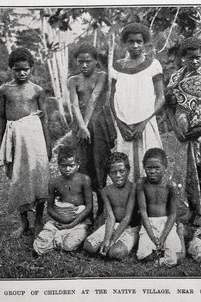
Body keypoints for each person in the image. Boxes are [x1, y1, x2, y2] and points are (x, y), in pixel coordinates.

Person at [165, 37, 201, 225]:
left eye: (198, 57)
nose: (195, 61)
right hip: (184, 134)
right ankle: (193, 210)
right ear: (184, 57)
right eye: (190, 58)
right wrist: (175, 129)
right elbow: (168, 107)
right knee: (189, 171)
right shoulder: (175, 78)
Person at [0, 47, 51, 238]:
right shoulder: (4, 90)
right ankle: (24, 223)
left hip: (35, 138)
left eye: (25, 69)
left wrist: (48, 144)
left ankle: (38, 221)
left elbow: (44, 119)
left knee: (39, 176)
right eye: (17, 69)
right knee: (18, 178)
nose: (22, 73)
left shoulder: (37, 90)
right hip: (14, 137)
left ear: (32, 68)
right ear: (10, 68)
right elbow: (1, 118)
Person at [110, 22, 165, 182]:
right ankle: (130, 203)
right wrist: (120, 124)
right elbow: (112, 97)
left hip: (146, 124)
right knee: (125, 164)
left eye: (139, 41)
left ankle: (151, 202)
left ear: (145, 42)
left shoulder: (153, 65)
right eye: (131, 41)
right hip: (124, 125)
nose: (135, 45)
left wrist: (144, 122)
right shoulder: (117, 67)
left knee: (150, 163)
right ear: (125, 43)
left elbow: (161, 97)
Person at [68, 43, 116, 216]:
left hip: (98, 125)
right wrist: (81, 126)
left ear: (96, 61)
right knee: (82, 165)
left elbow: (94, 98)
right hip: (80, 126)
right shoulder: (73, 80)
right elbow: (74, 104)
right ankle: (85, 210)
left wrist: (86, 125)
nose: (84, 65)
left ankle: (103, 209)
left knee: (100, 163)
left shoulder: (101, 76)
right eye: (80, 62)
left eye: (88, 61)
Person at [33, 146, 93, 255]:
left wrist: (71, 224)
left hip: (80, 221)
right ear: (58, 165)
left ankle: (61, 238)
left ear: (78, 165)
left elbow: (89, 207)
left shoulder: (84, 180)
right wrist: (63, 220)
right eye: (63, 166)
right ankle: (56, 236)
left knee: (69, 246)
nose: (67, 169)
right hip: (60, 220)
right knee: (39, 245)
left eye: (71, 165)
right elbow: (50, 209)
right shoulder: (54, 182)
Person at [83, 152, 140, 259]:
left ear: (128, 171)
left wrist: (112, 240)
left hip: (130, 227)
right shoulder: (106, 191)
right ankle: (107, 244)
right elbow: (110, 217)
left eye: (121, 171)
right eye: (114, 172)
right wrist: (106, 240)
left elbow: (127, 218)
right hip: (113, 225)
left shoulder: (134, 188)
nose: (118, 175)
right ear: (109, 174)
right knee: (88, 246)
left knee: (115, 253)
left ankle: (127, 242)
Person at [136, 148, 185, 267]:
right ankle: (160, 251)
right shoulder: (141, 184)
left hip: (166, 223)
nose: (152, 171)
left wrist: (163, 236)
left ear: (165, 167)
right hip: (149, 224)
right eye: (149, 168)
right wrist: (152, 236)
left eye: (157, 168)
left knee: (178, 257)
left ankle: (180, 233)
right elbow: (143, 211)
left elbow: (173, 214)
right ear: (144, 167)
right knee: (143, 255)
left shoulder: (170, 186)